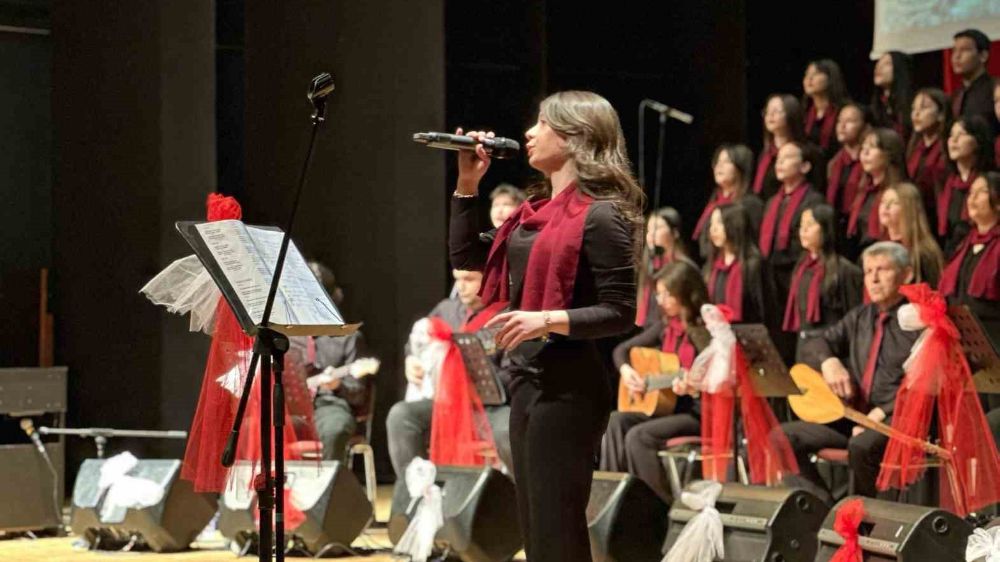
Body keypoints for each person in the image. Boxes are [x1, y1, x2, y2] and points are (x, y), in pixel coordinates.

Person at [451, 91, 641, 561]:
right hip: (528, 382)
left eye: (542, 124)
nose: (529, 134)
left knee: (558, 530)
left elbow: (621, 311)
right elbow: (467, 257)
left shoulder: (601, 215)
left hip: (571, 388)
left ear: (576, 138)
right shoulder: (530, 215)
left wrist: (547, 320)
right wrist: (467, 181)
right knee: (535, 529)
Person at [779, 242, 920, 505]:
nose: (874, 279)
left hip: (897, 419)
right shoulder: (860, 316)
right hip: (854, 416)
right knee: (781, 438)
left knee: (861, 446)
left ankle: (869, 519)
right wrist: (830, 361)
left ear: (907, 274)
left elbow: (926, 382)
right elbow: (816, 343)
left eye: (882, 270)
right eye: (868, 271)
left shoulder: (916, 321)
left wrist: (883, 412)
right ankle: (826, 512)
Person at [385, 269, 513, 479]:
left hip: (489, 408)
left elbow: (515, 374)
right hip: (446, 404)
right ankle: (415, 497)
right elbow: (415, 341)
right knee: (401, 416)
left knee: (509, 430)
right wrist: (410, 359)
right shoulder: (446, 309)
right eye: (457, 280)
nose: (460, 286)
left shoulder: (506, 316)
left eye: (469, 280)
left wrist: (475, 380)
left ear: (491, 279)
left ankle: (519, 503)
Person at [600, 261, 710, 502]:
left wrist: (693, 386)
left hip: (696, 414)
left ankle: (658, 505)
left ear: (685, 293)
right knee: (614, 422)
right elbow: (621, 351)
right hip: (666, 410)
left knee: (639, 437)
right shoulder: (665, 326)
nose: (659, 300)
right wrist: (627, 371)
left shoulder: (705, 331)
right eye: (658, 294)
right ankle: (611, 499)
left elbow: (713, 379)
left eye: (666, 294)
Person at [782, 204, 862, 362]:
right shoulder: (801, 267)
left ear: (826, 229)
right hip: (804, 344)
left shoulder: (844, 270)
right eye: (801, 226)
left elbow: (854, 318)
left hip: (831, 349)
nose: (803, 231)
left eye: (810, 225)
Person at [692, 143, 763, 260]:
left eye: (726, 162)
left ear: (741, 167)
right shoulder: (715, 201)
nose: (719, 166)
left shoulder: (751, 204)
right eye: (718, 162)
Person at [846, 128, 906, 258]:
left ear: (888, 153)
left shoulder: (900, 192)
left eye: (872, 147)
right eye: (863, 148)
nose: (865, 153)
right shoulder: (864, 191)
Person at [704, 202, 769, 324]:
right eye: (711, 224)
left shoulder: (753, 265)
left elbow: (765, 310)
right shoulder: (713, 266)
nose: (713, 229)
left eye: (719, 223)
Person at [940, 116, 994, 255]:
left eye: (961, 134)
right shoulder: (949, 184)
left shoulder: (990, 182)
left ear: (978, 141)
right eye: (951, 135)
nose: (954, 140)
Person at [636, 207, 695, 327]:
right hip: (647, 326)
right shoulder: (652, 262)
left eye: (657, 228)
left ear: (675, 233)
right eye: (649, 229)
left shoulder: (682, 267)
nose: (651, 234)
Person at [877, 182, 945, 287]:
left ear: (909, 209)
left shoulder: (922, 253)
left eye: (894, 202)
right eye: (883, 201)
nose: (886, 207)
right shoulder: (882, 247)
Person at [907, 88, 951, 217]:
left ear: (941, 114)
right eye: (913, 109)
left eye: (924, 108)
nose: (916, 114)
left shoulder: (949, 146)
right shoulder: (913, 148)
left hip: (940, 214)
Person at [753, 94, 806, 199]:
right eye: (767, 111)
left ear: (791, 114)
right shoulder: (765, 154)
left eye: (776, 111)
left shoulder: (805, 152)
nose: (770, 115)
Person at [827, 102, 873, 217]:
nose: (842, 126)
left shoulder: (871, 162)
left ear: (866, 127)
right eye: (839, 121)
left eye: (850, 121)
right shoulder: (833, 163)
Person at [951, 29, 997, 132]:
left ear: (983, 56)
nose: (956, 56)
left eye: (964, 50)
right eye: (954, 50)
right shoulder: (955, 96)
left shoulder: (995, 88)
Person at [803, 59, 849, 158]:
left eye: (816, 74)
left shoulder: (845, 110)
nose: (809, 78)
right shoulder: (803, 111)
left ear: (830, 78)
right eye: (807, 74)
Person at [870, 51, 913, 139]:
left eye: (887, 64)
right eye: (878, 63)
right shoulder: (877, 106)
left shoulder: (911, 103)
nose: (878, 67)